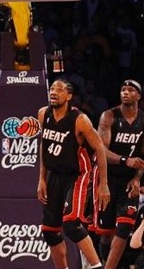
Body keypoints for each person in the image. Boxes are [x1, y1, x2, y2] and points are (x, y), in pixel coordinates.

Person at [37, 78, 110, 269]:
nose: (54, 92)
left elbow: (100, 148)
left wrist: (103, 184)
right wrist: (41, 179)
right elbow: (44, 145)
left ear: (69, 96)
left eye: (59, 90)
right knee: (50, 232)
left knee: (71, 224)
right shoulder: (43, 114)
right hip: (54, 175)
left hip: (77, 175)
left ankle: (96, 266)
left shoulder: (80, 120)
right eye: (52, 89)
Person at [95, 79, 144, 269]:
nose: (125, 92)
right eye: (123, 89)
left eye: (131, 90)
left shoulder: (142, 120)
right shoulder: (109, 116)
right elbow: (101, 151)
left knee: (124, 227)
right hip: (107, 178)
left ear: (138, 96)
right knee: (106, 233)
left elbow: (142, 156)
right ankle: (105, 263)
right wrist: (125, 160)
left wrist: (137, 178)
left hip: (128, 181)